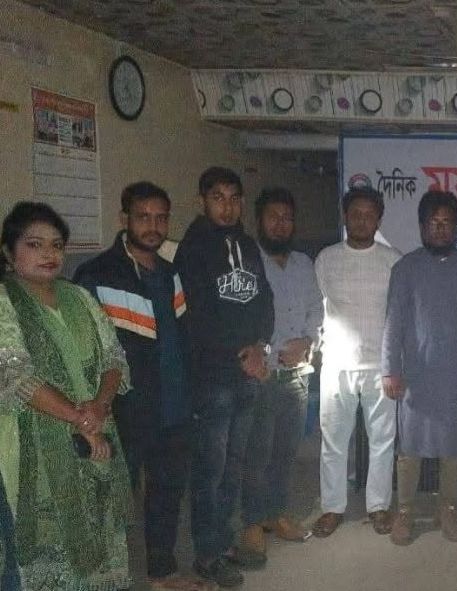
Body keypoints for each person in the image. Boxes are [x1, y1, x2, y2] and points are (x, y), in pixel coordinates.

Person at [74, 183, 209, 591]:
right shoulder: (96, 275)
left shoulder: (170, 273)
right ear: (124, 219)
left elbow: (185, 338)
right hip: (126, 412)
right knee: (113, 500)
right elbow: (84, 350)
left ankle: (162, 573)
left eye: (161, 218)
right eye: (143, 217)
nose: (153, 226)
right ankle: (104, 579)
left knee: (167, 495)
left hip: (175, 407)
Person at [0, 201, 132, 590]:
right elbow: (15, 374)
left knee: (99, 533)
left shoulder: (80, 298)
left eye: (56, 245)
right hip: (29, 445)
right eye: (34, 244)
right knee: (40, 553)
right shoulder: (4, 302)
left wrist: (99, 407)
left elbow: (114, 357)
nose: (49, 254)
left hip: (95, 431)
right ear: (8, 252)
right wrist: (80, 418)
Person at [176, 167, 274, 588]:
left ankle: (223, 540)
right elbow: (197, 318)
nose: (227, 206)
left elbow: (264, 299)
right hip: (212, 377)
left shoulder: (247, 244)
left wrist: (261, 345)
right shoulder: (192, 249)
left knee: (233, 466)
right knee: (210, 470)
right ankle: (206, 555)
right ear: (202, 200)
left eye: (234, 198)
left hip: (246, 372)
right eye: (218, 197)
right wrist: (242, 356)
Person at [381, 190, 457, 546]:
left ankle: (446, 510)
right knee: (410, 446)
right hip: (416, 374)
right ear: (422, 227)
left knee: (452, 445)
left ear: (456, 227)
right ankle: (405, 512)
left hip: (456, 371)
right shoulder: (405, 268)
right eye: (433, 223)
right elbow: (393, 323)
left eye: (447, 223)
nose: (440, 229)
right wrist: (390, 369)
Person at [239, 187, 323, 556]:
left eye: (287, 218)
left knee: (285, 453)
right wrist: (272, 351)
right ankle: (252, 522)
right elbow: (243, 319)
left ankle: (276, 513)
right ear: (259, 220)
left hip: (297, 376)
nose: (280, 224)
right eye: (273, 217)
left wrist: (309, 341)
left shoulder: (304, 264)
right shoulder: (247, 262)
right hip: (262, 376)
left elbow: (317, 310)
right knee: (256, 454)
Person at [314, 187, 402, 538]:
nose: (362, 220)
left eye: (369, 215)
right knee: (333, 440)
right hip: (337, 363)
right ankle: (332, 507)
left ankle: (378, 506)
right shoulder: (327, 259)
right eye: (355, 214)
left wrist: (394, 364)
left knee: (383, 440)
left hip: (379, 365)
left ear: (378, 220)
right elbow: (319, 307)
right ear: (345, 217)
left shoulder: (392, 260)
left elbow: (398, 315)